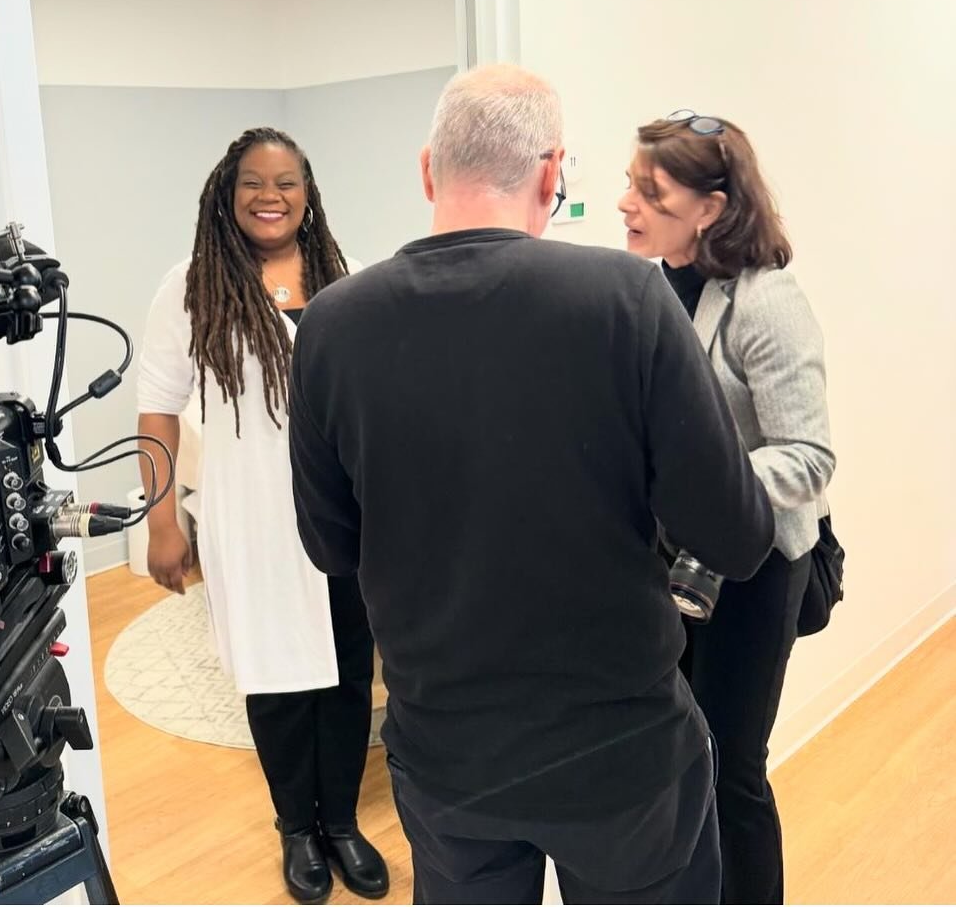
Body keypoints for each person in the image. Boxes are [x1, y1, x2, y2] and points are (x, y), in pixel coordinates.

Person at [286, 65, 776, 905]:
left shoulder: (330, 324)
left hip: (447, 759)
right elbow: (736, 534)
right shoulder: (627, 299)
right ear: (552, 175)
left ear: (428, 170)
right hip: (621, 758)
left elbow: (331, 546)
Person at [136, 127, 389, 905]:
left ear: (309, 195)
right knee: (276, 677)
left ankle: (342, 822)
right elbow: (156, 409)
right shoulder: (192, 287)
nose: (270, 196)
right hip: (250, 517)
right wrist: (161, 521)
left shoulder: (339, 280)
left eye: (287, 182)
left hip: (342, 515)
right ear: (226, 189)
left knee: (348, 674)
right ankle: (296, 829)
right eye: (253, 181)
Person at [617, 111, 835, 904]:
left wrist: (699, 486)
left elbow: (808, 457)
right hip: (666, 567)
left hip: (750, 570)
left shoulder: (766, 301)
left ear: (710, 207)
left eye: (651, 190)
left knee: (731, 765)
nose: (626, 203)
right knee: (676, 754)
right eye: (630, 184)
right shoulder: (640, 287)